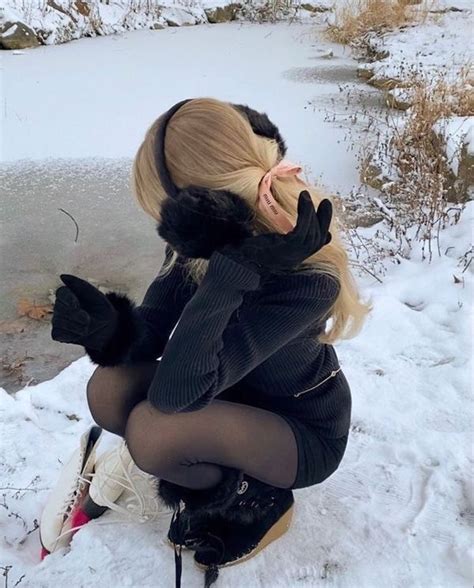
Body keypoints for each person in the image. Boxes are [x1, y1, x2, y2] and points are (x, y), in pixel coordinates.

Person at [49, 98, 369, 586]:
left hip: (297, 432)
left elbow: (175, 395)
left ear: (203, 208)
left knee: (155, 433)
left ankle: (254, 496)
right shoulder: (205, 243)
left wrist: (232, 274)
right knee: (108, 389)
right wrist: (110, 330)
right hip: (225, 391)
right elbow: (156, 324)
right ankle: (211, 457)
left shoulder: (307, 279)